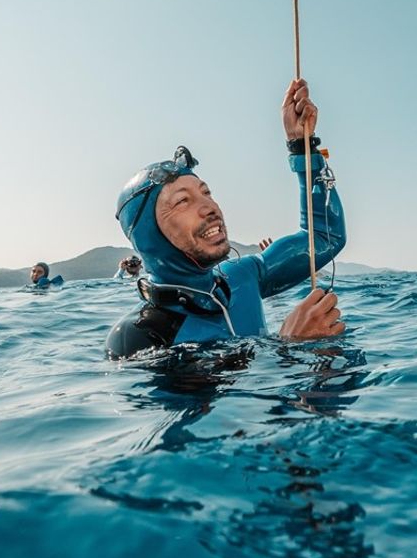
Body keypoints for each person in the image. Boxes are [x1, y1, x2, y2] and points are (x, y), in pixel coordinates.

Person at [105, 78, 346, 359]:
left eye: (207, 192)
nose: (209, 207)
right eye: (183, 201)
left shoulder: (240, 277)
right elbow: (234, 401)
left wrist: (301, 147)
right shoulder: (139, 337)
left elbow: (324, 237)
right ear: (149, 234)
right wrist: (288, 344)